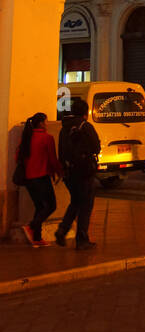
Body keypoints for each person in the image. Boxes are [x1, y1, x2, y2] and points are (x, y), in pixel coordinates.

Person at [55, 97, 101, 248]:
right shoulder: (85, 126)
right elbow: (96, 148)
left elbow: (61, 151)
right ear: (85, 113)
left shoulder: (64, 128)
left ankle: (63, 229)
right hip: (85, 171)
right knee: (86, 205)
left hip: (69, 172)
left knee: (76, 201)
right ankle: (81, 239)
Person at [16, 112, 62, 247]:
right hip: (41, 177)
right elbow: (53, 159)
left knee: (39, 207)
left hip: (28, 178)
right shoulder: (47, 138)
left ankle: (37, 238)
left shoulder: (26, 138)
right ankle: (32, 226)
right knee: (51, 205)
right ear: (41, 123)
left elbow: (17, 157)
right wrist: (60, 172)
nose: (47, 124)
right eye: (46, 121)